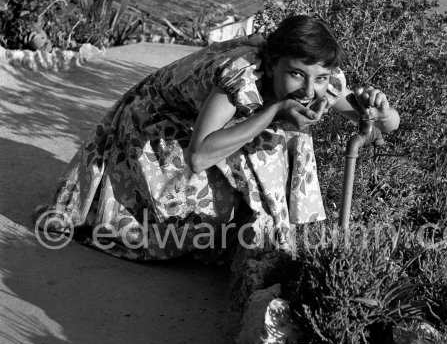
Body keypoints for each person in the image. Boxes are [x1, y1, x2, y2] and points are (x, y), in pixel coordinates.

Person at [35, 15, 399, 261]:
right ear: (272, 64)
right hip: (153, 127)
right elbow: (198, 156)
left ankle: (271, 236)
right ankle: (256, 239)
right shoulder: (240, 75)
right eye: (296, 75)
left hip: (197, 132)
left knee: (291, 136)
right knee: (278, 134)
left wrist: (383, 113)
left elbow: (385, 128)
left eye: (318, 78)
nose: (308, 89)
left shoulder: (319, 79)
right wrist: (272, 112)